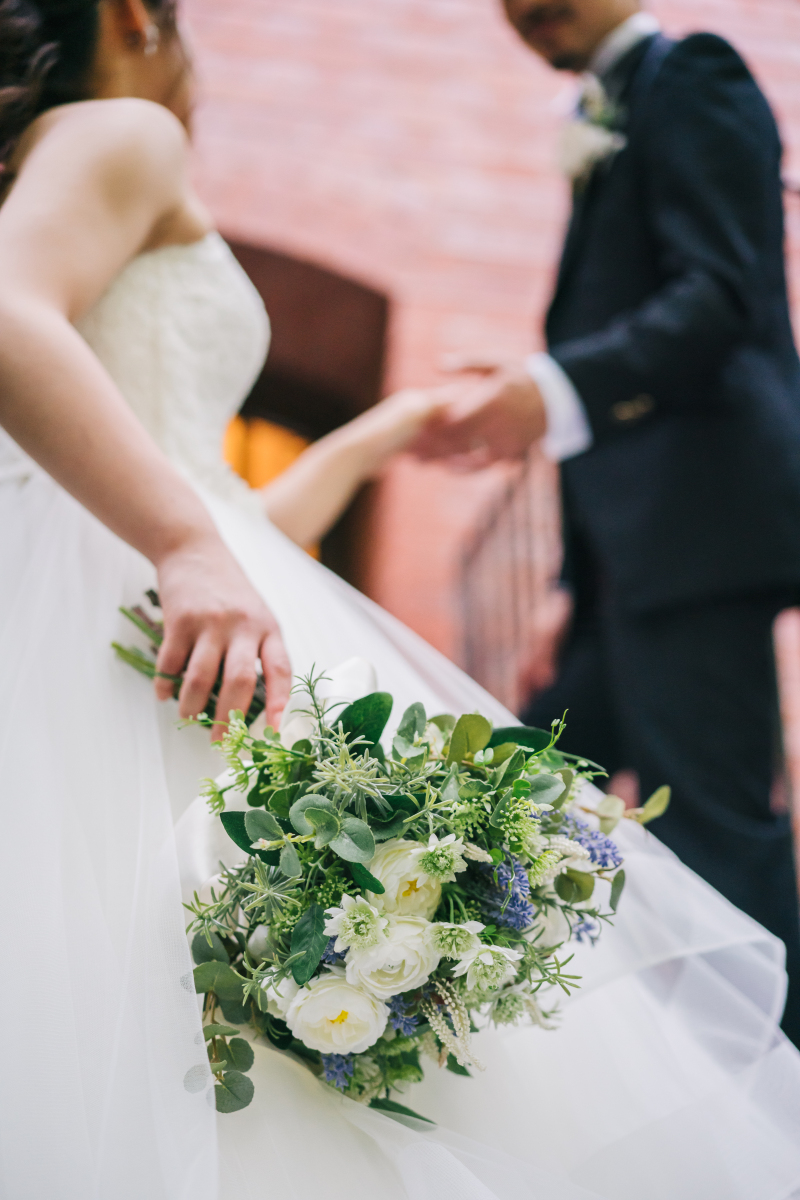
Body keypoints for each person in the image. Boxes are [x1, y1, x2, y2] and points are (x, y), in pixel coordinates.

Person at [0, 2, 798, 1198]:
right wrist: (181, 541)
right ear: (131, 13)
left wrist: (382, 435)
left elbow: (228, 513)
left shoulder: (57, 167)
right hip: (152, 616)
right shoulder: (123, 129)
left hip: (143, 602)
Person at [414, 0, 800, 1047]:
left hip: (699, 539)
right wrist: (571, 589)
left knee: (717, 843)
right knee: (499, 802)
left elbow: (718, 297)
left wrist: (547, 389)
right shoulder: (607, 108)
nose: (524, 8)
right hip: (631, 564)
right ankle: (437, 1025)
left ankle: (773, 1090)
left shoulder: (697, 75)